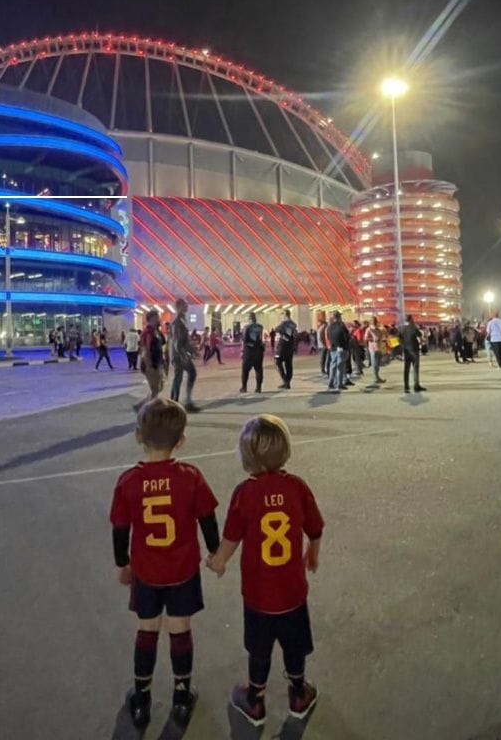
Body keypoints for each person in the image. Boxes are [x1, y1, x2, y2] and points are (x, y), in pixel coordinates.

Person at [109, 398, 219, 728]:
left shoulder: (128, 481)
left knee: (147, 629)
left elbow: (120, 529)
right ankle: (181, 696)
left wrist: (122, 564)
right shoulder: (190, 476)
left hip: (147, 572)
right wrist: (214, 551)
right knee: (180, 629)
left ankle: (141, 699)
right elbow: (207, 518)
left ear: (138, 436)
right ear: (181, 440)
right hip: (182, 570)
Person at [207, 414, 324, 727]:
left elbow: (232, 537)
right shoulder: (297, 487)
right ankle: (299, 693)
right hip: (293, 592)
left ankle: (255, 700)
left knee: (259, 649)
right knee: (294, 644)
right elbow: (314, 526)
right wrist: (312, 551)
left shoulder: (246, 493)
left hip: (258, 595)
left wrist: (218, 561)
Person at [169, 298, 201, 412]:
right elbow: (177, 342)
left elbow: (184, 341)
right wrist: (184, 355)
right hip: (178, 355)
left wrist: (192, 350)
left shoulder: (182, 320)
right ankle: (175, 404)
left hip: (181, 354)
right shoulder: (177, 322)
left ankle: (182, 402)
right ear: (178, 307)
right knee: (180, 377)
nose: (187, 307)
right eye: (184, 305)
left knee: (184, 376)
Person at [134, 310, 166, 410]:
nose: (159, 319)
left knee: (159, 387)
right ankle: (148, 412)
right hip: (151, 364)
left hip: (158, 362)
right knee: (155, 389)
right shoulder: (148, 332)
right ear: (152, 318)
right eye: (157, 317)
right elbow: (145, 349)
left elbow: (162, 346)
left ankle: (141, 406)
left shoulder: (157, 331)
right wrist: (149, 365)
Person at [399, 315, 426, 393]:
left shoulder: (401, 328)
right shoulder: (413, 327)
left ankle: (406, 387)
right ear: (411, 319)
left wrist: (402, 348)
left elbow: (398, 339)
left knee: (406, 369)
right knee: (415, 368)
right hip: (414, 350)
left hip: (406, 351)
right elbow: (420, 336)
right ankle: (416, 385)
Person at [239, 312, 265, 393]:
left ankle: (244, 387)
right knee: (259, 370)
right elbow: (261, 339)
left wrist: (242, 351)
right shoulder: (260, 327)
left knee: (245, 370)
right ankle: (258, 388)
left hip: (249, 352)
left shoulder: (246, 327)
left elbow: (244, 340)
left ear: (249, 318)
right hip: (258, 351)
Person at [327, 311, 350, 391]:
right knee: (340, 366)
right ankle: (339, 384)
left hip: (333, 348)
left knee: (333, 365)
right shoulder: (341, 326)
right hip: (342, 348)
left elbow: (328, 337)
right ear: (339, 317)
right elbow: (346, 336)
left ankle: (331, 382)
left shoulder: (330, 327)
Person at [274, 310, 297, 390]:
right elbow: (295, 336)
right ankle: (288, 382)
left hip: (282, 346)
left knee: (277, 362)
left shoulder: (284, 323)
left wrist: (282, 333)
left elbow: (276, 329)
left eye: (282, 315)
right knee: (289, 365)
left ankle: (285, 380)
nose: (281, 317)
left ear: (285, 315)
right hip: (290, 347)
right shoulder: (293, 324)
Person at [364, 316, 387, 384]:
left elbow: (383, 335)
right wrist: (373, 339)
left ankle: (377, 376)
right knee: (374, 364)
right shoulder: (369, 329)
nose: (374, 322)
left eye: (375, 321)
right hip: (372, 348)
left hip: (379, 348)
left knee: (378, 363)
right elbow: (366, 338)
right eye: (373, 321)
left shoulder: (378, 329)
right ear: (371, 322)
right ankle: (375, 378)